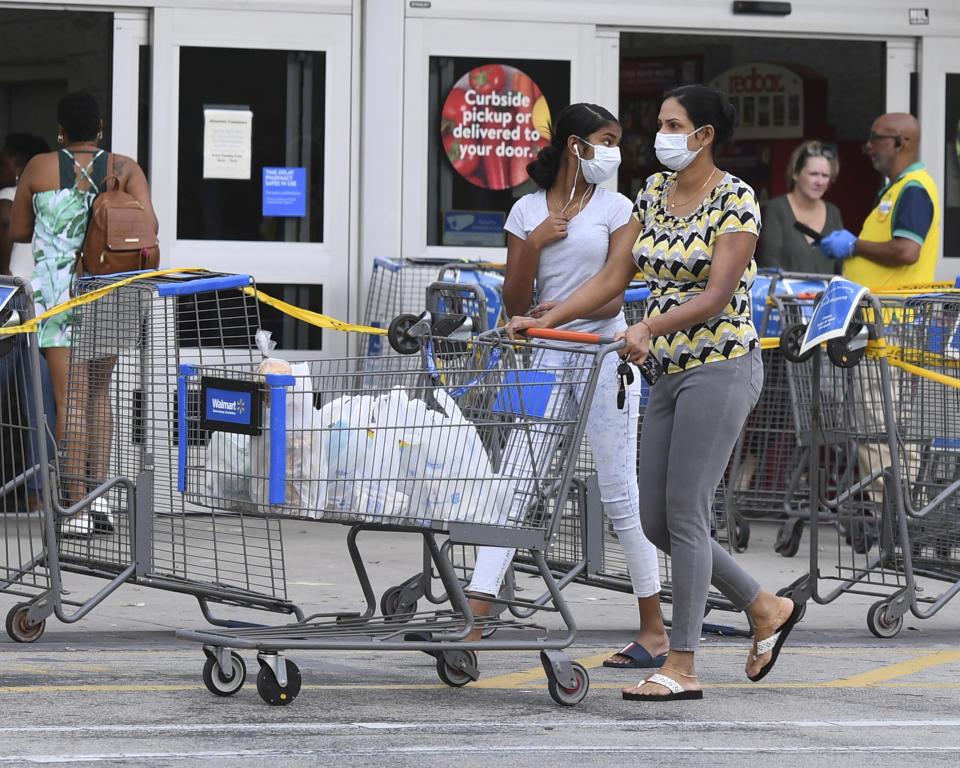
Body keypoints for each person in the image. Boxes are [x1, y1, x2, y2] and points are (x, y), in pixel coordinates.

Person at [509, 84, 803, 701]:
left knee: (686, 516)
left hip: (720, 366)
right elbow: (616, 276)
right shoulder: (651, 194)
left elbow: (717, 295)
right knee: (654, 520)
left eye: (673, 124)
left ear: (704, 136)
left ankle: (683, 665)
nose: (659, 135)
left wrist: (646, 326)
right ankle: (765, 607)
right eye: (662, 123)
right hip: (664, 371)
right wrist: (550, 316)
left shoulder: (737, 200)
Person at [464, 103, 669, 669]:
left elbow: (614, 289)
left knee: (619, 490)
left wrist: (557, 318)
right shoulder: (527, 210)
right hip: (547, 358)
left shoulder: (619, 208)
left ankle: (653, 627)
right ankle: (476, 615)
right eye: (608, 141)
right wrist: (532, 243)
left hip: (604, 354)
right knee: (514, 482)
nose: (617, 153)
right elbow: (514, 301)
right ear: (577, 144)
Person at [10, 91, 157, 536]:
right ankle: (99, 503)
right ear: (99, 129)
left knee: (67, 400)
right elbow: (148, 227)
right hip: (111, 291)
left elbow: (17, 230)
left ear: (60, 130)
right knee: (98, 396)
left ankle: (73, 510)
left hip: (60, 296)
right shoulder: (125, 168)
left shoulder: (38, 167)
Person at [817, 113, 939, 287]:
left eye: (875, 138)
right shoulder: (900, 187)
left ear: (899, 143)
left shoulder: (914, 188)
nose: (868, 145)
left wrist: (853, 246)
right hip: (883, 310)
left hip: (896, 311)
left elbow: (907, 252)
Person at [0, 133, 56, 513]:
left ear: (20, 166)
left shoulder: (9, 196)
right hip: (40, 304)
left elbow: (5, 255)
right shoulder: (56, 201)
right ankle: (40, 493)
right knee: (39, 395)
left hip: (8, 301)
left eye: (4, 162)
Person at [757, 140, 843, 274]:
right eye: (813, 174)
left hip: (826, 294)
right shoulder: (777, 207)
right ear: (795, 173)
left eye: (825, 175)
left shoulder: (833, 212)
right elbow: (770, 260)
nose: (820, 182)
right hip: (786, 294)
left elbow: (843, 265)